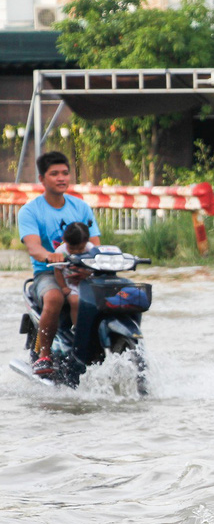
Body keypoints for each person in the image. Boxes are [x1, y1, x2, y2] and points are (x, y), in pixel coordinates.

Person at [18, 151, 101, 376]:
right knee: (54, 297)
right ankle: (44, 355)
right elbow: (34, 247)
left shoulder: (81, 207)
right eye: (54, 174)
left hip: (83, 271)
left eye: (65, 173)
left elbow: (95, 244)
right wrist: (51, 256)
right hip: (48, 273)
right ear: (42, 179)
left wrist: (90, 266)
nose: (61, 178)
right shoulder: (30, 211)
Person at [54, 222, 99, 327]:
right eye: (72, 249)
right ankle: (77, 328)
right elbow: (58, 271)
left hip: (89, 282)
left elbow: (96, 265)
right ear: (65, 241)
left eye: (80, 249)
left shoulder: (90, 248)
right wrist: (64, 287)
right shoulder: (61, 251)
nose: (76, 252)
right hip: (72, 284)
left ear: (86, 241)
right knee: (75, 302)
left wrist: (88, 273)